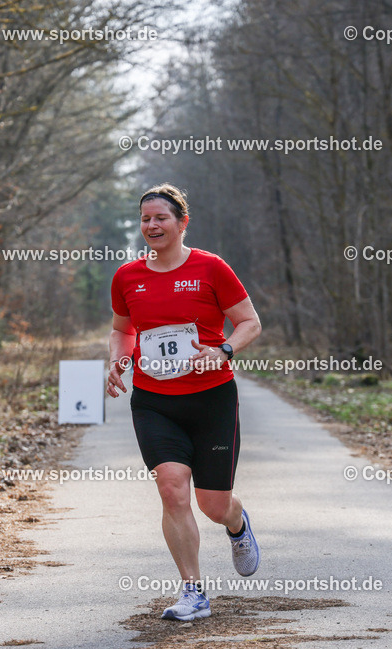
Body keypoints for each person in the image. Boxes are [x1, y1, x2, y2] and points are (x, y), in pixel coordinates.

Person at [106, 183, 262, 621]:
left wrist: (223, 351)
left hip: (211, 399)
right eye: (145, 219)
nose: (151, 225)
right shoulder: (127, 276)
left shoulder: (211, 268)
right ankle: (193, 592)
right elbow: (123, 329)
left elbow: (249, 322)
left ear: (182, 223)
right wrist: (117, 359)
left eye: (161, 218)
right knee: (172, 488)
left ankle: (237, 524)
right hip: (155, 401)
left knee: (214, 504)